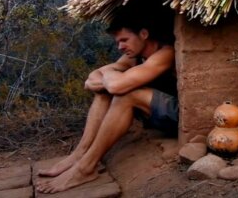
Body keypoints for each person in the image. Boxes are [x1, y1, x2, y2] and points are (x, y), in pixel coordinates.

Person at [36, 14, 178, 194]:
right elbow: (92, 79)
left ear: (143, 34)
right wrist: (110, 78)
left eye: (125, 40)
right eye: (118, 42)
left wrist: (110, 77)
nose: (120, 47)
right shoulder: (133, 57)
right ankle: (80, 154)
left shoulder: (165, 53)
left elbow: (115, 84)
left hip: (179, 115)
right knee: (104, 93)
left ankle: (85, 168)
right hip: (155, 112)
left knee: (124, 94)